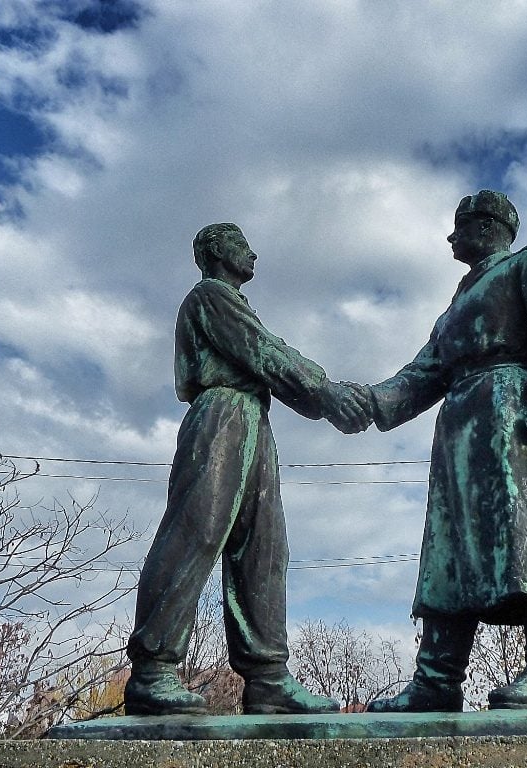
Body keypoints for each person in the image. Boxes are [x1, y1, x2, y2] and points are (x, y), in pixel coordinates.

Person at [365, 191, 527, 713]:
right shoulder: (455, 306)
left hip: (514, 413)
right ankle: (437, 679)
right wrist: (363, 403)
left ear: (487, 225)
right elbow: (424, 371)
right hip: (462, 426)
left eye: (459, 227)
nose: (451, 239)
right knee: (449, 552)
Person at [124, 222, 371, 716]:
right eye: (242, 244)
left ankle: (267, 678)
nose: (253, 252)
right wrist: (325, 395)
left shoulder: (228, 299)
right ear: (217, 250)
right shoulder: (211, 296)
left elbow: (266, 355)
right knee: (196, 531)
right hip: (221, 415)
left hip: (253, 417)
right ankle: (153, 668)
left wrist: (320, 397)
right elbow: (263, 351)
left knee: (265, 547)